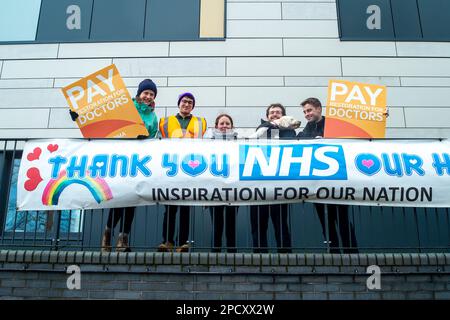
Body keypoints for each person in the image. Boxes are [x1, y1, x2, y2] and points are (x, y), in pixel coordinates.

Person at [69, 78, 159, 252]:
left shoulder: (153, 116)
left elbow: (152, 138)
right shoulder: (125, 107)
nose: (148, 96)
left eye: (151, 94)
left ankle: (122, 240)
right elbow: (101, 116)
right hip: (120, 160)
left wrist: (145, 139)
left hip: (138, 163)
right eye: (146, 93)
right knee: (119, 198)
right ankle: (107, 235)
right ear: (139, 93)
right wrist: (78, 115)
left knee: (133, 200)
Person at [297, 97, 358, 253]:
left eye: (309, 110)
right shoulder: (307, 129)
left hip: (337, 182)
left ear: (319, 108)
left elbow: (357, 132)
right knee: (326, 222)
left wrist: (379, 116)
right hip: (317, 183)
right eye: (304, 112)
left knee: (343, 219)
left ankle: (352, 253)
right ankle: (334, 254)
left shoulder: (334, 125)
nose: (306, 114)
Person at [158, 92, 207, 252]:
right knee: (170, 208)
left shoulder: (201, 122)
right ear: (179, 103)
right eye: (184, 101)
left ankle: (183, 242)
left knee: (186, 208)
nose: (186, 104)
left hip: (191, 169)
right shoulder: (164, 122)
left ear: (193, 106)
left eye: (190, 102)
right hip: (170, 169)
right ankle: (167, 241)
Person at [250, 103, 294, 253]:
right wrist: (272, 125)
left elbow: (290, 145)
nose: (274, 114)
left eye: (278, 112)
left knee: (280, 223)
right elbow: (256, 139)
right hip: (258, 184)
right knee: (258, 224)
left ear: (283, 115)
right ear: (267, 116)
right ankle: (260, 256)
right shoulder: (261, 128)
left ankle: (285, 255)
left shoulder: (289, 131)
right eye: (272, 112)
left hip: (279, 185)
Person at [205, 114, 238, 252]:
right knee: (217, 224)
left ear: (232, 126)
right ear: (216, 126)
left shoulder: (239, 143)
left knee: (231, 224)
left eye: (227, 124)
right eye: (222, 123)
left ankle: (232, 254)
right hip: (215, 190)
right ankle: (215, 254)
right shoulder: (208, 144)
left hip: (233, 190)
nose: (224, 126)